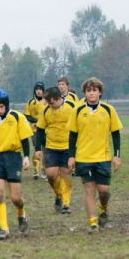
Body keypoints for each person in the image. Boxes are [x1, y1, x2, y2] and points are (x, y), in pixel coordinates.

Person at [68, 77, 123, 233]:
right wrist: (71, 156)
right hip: (84, 158)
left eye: (94, 90)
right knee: (89, 190)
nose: (91, 93)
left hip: (103, 158)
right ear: (84, 93)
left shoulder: (108, 110)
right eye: (88, 91)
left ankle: (103, 208)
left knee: (104, 190)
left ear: (100, 93)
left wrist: (117, 155)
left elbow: (116, 133)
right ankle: (93, 223)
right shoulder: (77, 111)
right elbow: (72, 136)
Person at [0, 89, 33, 240]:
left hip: (13, 157)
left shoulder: (17, 117)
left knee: (16, 197)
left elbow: (25, 139)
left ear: (7, 105)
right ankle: (4, 229)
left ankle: (21, 213)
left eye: (1, 107)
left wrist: (26, 157)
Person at [34, 86, 76, 214]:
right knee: (51, 175)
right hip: (51, 147)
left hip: (68, 147)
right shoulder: (46, 110)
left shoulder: (72, 107)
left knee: (65, 175)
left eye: (51, 102)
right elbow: (40, 129)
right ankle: (59, 194)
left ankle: (66, 204)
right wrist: (37, 148)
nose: (50, 104)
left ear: (58, 98)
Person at [24, 81, 48, 180]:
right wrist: (37, 121)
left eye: (40, 89)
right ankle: (35, 170)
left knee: (45, 150)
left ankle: (44, 169)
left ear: (43, 91)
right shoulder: (31, 102)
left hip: (46, 130)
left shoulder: (47, 101)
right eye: (37, 89)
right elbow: (27, 115)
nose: (39, 91)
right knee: (36, 149)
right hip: (34, 130)